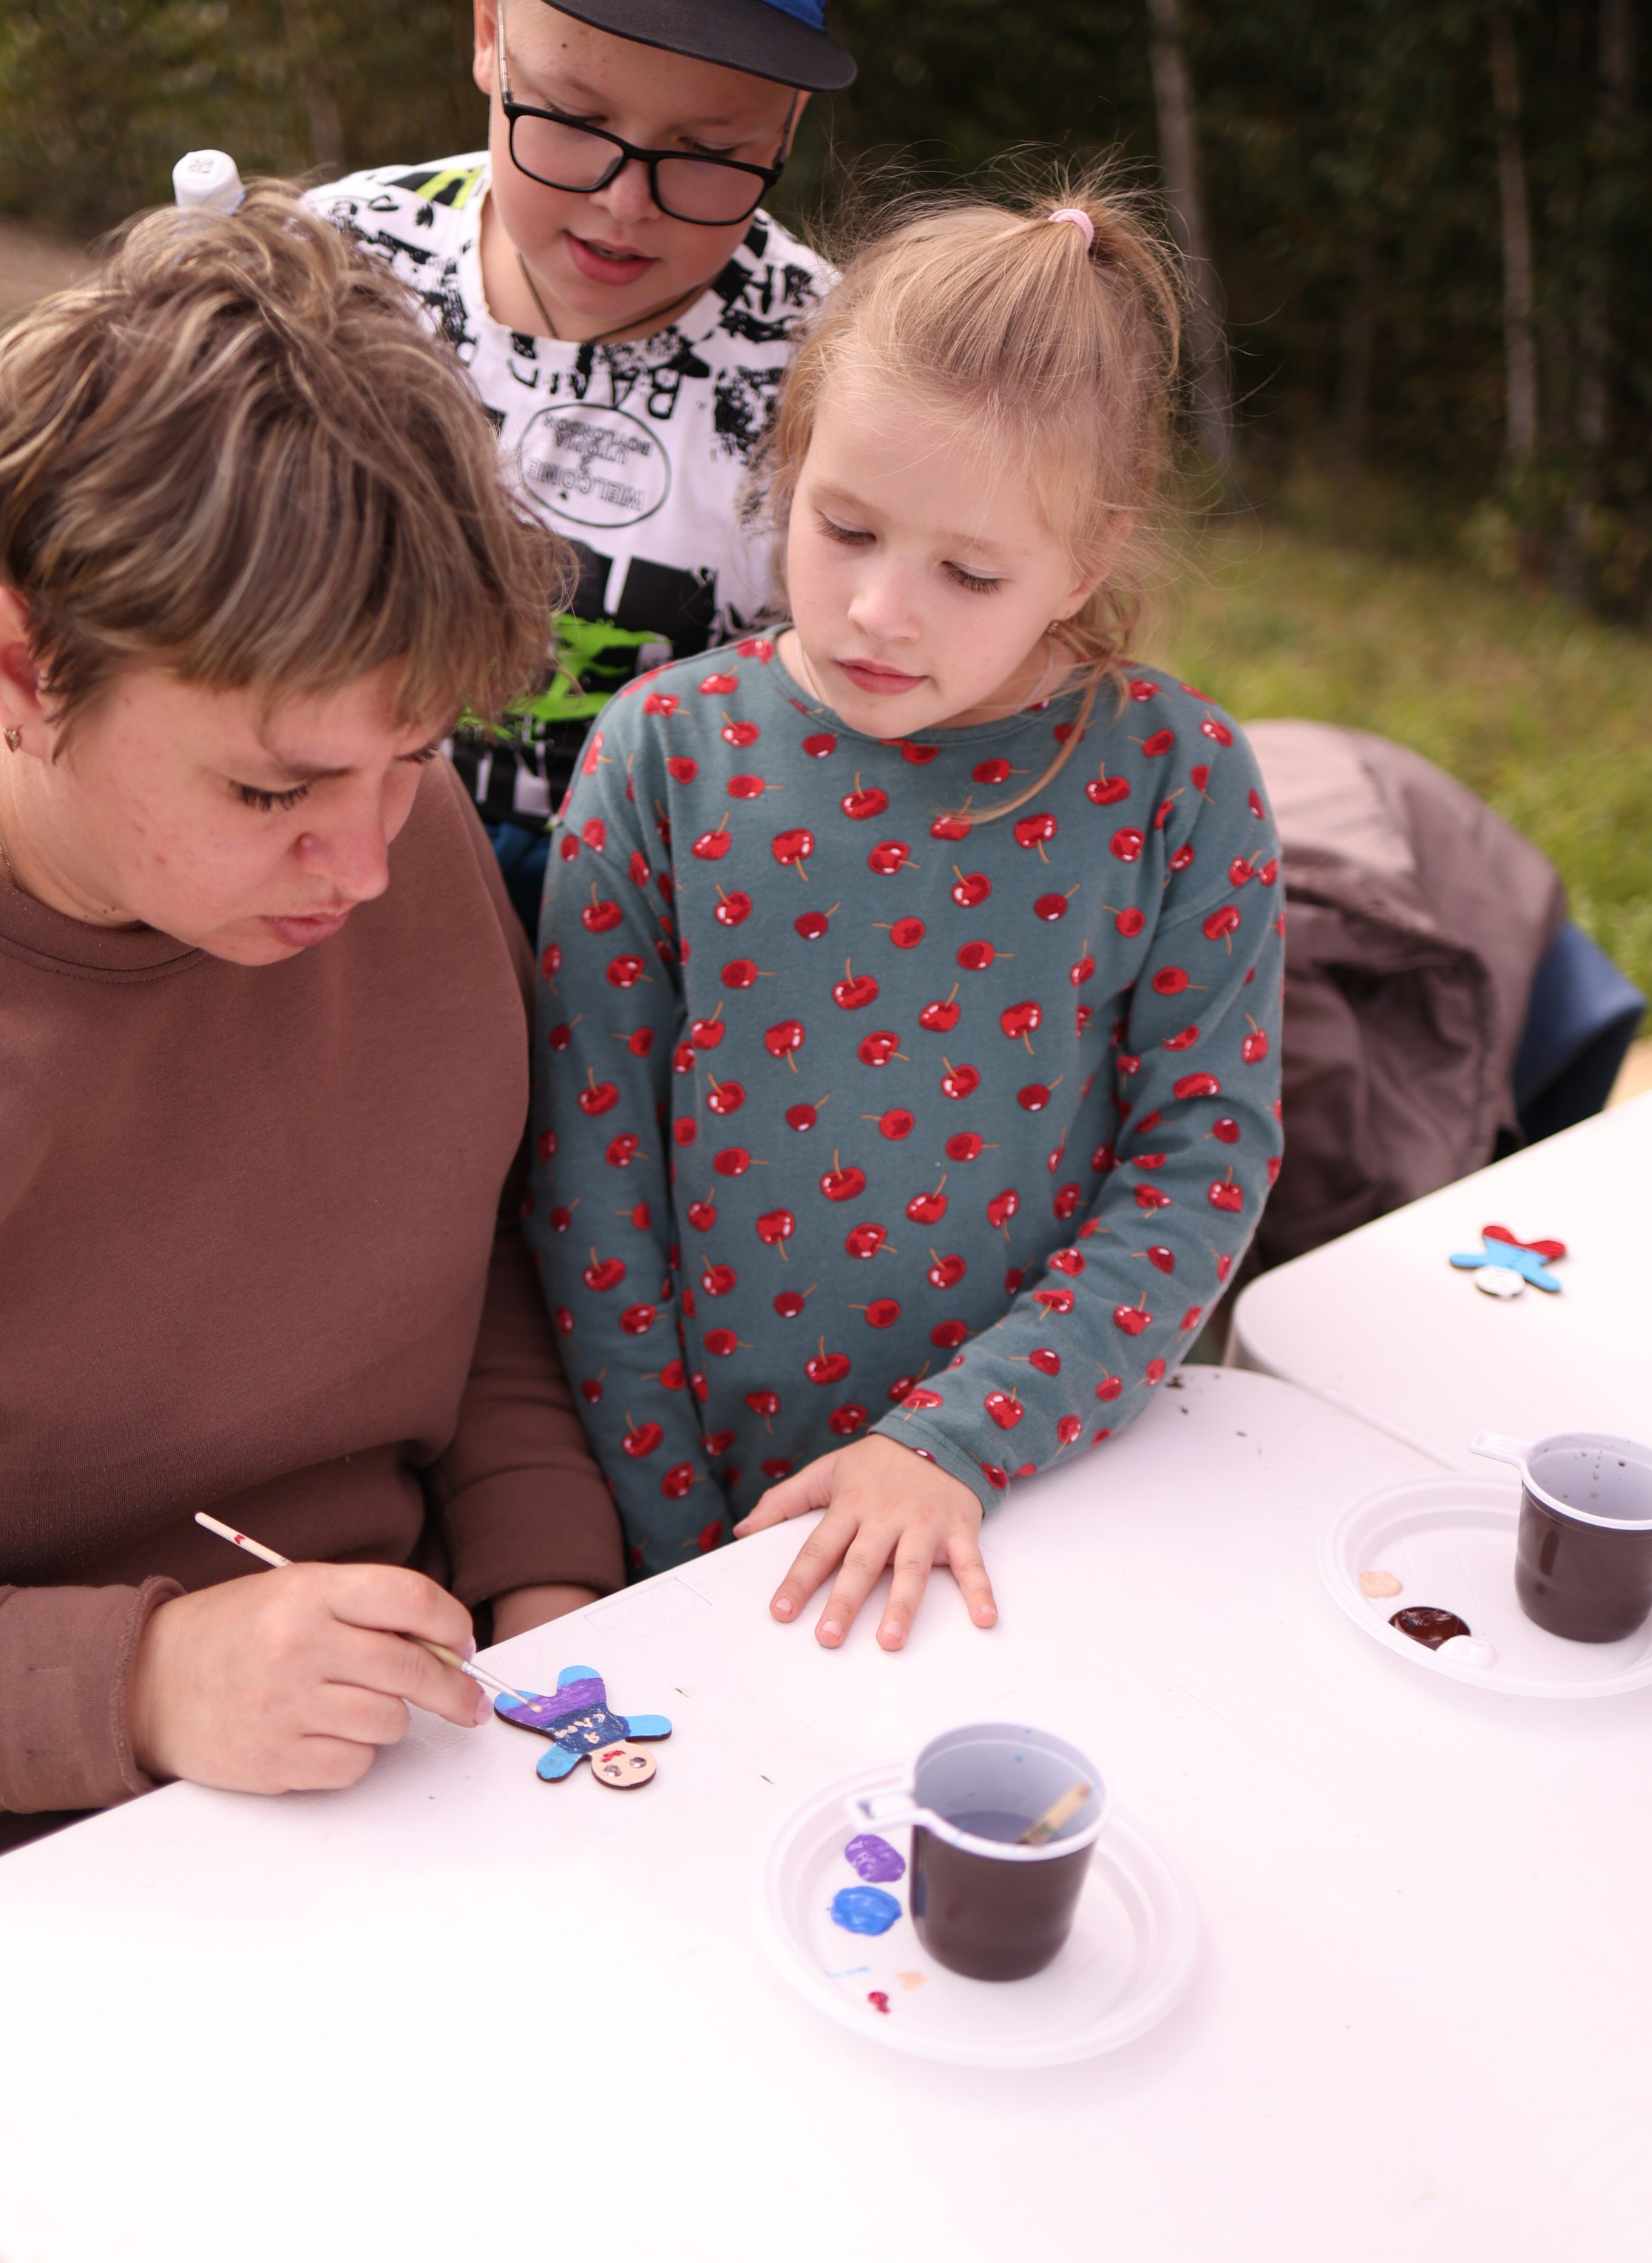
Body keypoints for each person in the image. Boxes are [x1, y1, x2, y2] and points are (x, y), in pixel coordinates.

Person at [0, 192, 622, 2263]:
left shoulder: (383, 836)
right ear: (21, 664)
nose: (365, 859)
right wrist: (139, 1681)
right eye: (271, 793)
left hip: (359, 1727)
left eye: (415, 761)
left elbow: (473, 1261)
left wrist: (551, 1579)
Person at [524, 182, 1287, 1643]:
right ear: (790, 462)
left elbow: (1201, 1159)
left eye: (968, 571)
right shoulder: (663, 756)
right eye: (845, 528)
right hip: (706, 1542)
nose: (881, 609)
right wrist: (683, 1544)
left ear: (1090, 557)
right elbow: (588, 1185)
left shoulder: (1177, 780)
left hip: (1033, 1509)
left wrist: (957, 1440)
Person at [307, 0, 853, 933]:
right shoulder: (334, 271)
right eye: (573, 119)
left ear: (789, 126)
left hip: (664, 918)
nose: (622, 204)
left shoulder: (839, 370)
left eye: (709, 153)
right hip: (339, 867)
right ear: (488, 36)